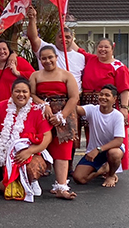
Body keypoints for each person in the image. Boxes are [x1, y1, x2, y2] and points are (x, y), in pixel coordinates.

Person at [0, 78, 53, 202]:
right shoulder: (0, 107)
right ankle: (16, 181)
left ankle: (32, 180)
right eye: (17, 91)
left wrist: (29, 151)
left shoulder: (37, 110)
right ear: (11, 93)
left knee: (32, 166)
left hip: (31, 153)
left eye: (24, 92)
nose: (21, 95)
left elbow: (47, 137)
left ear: (29, 94)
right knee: (4, 189)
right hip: (5, 154)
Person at [73, 37, 129, 171]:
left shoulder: (119, 67)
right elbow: (74, 47)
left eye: (106, 47)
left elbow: (124, 89)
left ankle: (113, 168)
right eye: (100, 46)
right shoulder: (90, 59)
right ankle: (95, 166)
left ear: (113, 48)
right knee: (92, 136)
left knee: (114, 137)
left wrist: (124, 108)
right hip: (90, 106)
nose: (103, 49)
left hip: (109, 105)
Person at [30, 45, 79, 199]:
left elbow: (74, 97)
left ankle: (61, 186)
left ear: (56, 57)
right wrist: (43, 104)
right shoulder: (35, 75)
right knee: (40, 146)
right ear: (40, 60)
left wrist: (61, 115)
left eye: (50, 57)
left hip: (64, 115)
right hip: (42, 114)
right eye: (43, 58)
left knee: (62, 151)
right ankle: (30, 181)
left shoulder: (67, 75)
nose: (47, 60)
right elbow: (30, 94)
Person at [73, 85, 126, 188]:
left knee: (114, 153)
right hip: (95, 152)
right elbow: (76, 109)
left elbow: (119, 141)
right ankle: (103, 169)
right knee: (78, 178)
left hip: (110, 150)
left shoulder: (118, 116)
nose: (103, 97)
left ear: (114, 99)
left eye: (107, 95)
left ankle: (110, 175)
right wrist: (71, 98)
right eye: (101, 94)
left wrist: (98, 149)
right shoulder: (92, 110)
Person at [26, 6, 85, 89]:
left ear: (72, 39)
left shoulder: (81, 57)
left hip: (75, 97)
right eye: (60, 37)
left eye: (67, 37)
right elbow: (33, 38)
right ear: (55, 38)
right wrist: (32, 19)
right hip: (49, 94)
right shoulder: (47, 48)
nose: (64, 39)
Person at [0, 40, 35, 105]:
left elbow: (35, 76)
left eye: (4, 49)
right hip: (0, 107)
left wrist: (18, 73)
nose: (2, 52)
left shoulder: (18, 61)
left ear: (9, 50)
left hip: (19, 104)